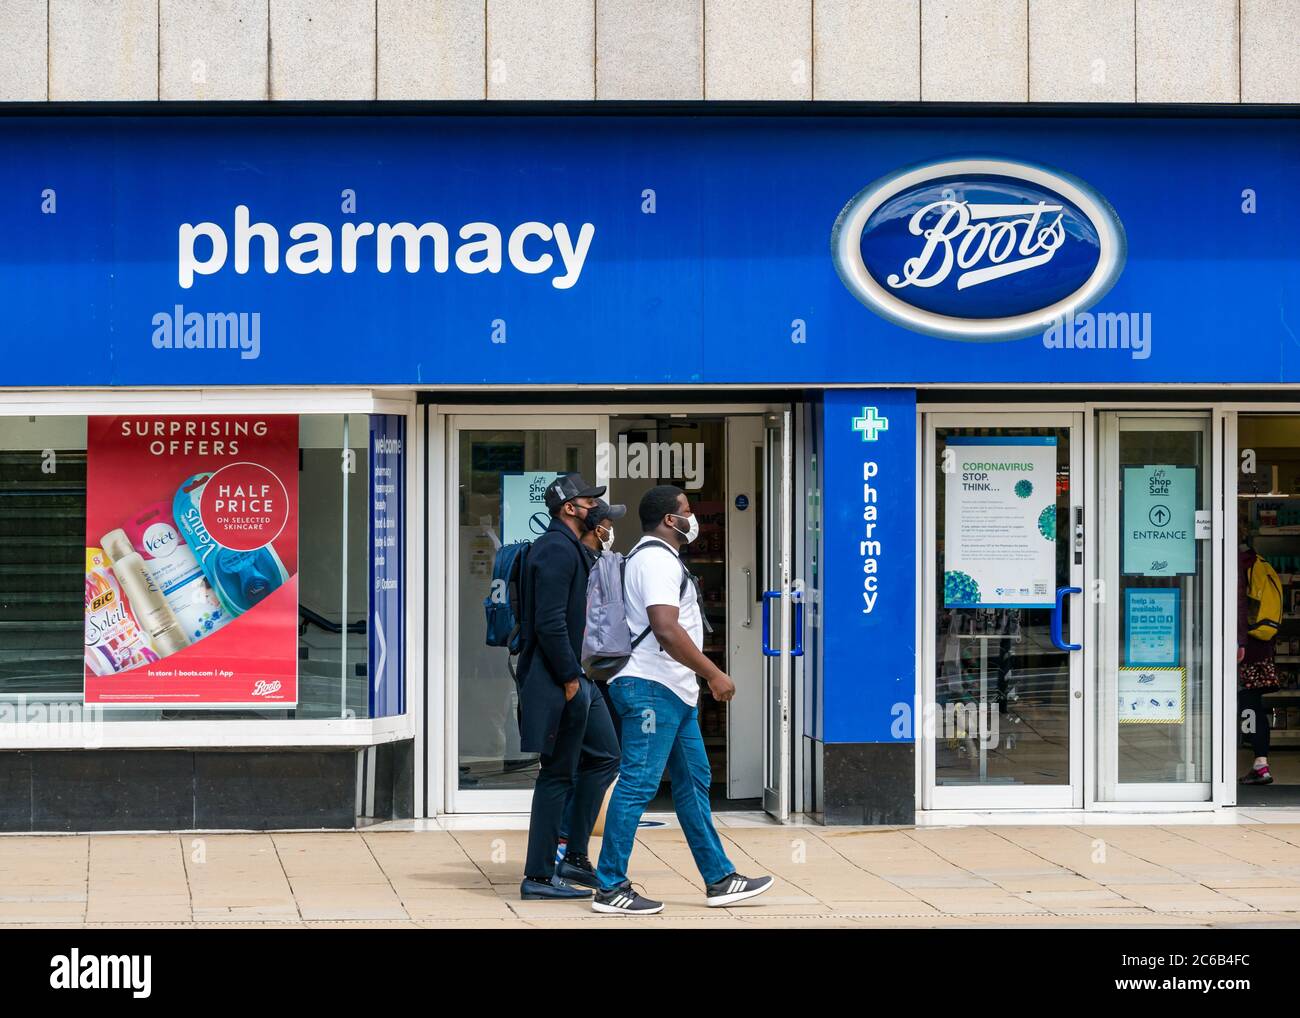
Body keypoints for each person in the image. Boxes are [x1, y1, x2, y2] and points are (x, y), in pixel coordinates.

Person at [593, 484, 773, 915]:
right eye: (687, 511)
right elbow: (666, 628)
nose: (693, 518)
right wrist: (713, 673)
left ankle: (720, 878)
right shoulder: (655, 560)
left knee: (694, 783)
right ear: (671, 520)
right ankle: (610, 886)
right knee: (637, 783)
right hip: (650, 689)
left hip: (671, 690)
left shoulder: (655, 557)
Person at [516, 473, 621, 900]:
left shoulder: (567, 547)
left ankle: (574, 859)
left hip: (575, 676)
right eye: (587, 500)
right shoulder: (556, 550)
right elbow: (549, 622)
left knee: (605, 757)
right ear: (568, 508)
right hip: (561, 678)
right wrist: (568, 679)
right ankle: (538, 877)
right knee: (557, 774)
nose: (595, 505)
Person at [556, 500, 626, 859]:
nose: (612, 530)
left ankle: (570, 844)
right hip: (588, 676)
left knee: (594, 759)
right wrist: (572, 678)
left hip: (591, 675)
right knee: (599, 758)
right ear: (598, 529)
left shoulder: (595, 562)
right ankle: (567, 841)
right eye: (609, 523)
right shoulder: (586, 564)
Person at [1240, 537, 1279, 785]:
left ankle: (1259, 766)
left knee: (1247, 707)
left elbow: (1239, 608)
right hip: (1261, 647)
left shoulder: (1239, 564)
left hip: (1243, 649)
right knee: (1252, 706)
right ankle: (1260, 761)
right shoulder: (1261, 563)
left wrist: (1238, 642)